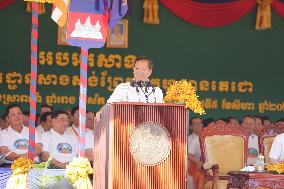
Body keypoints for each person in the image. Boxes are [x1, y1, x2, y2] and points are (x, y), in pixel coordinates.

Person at [188, 117, 204, 189]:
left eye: (199, 123)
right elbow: (188, 155)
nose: (198, 125)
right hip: (191, 168)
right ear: (190, 126)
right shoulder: (187, 140)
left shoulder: (207, 138)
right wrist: (197, 162)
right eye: (195, 123)